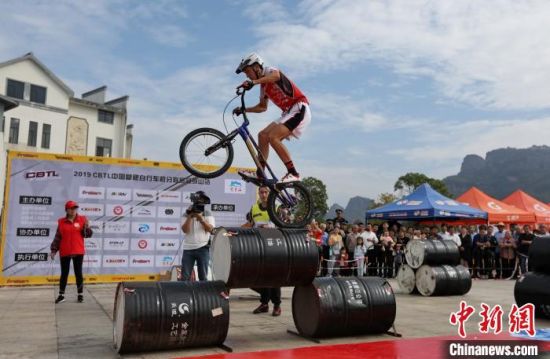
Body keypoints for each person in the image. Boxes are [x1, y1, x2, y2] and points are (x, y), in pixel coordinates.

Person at [234, 53, 311, 182]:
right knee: (262, 135)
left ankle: (293, 173)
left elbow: (276, 76)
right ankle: (260, 173)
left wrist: (253, 82)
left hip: (299, 108)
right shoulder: (263, 86)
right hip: (288, 112)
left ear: (256, 66)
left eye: (247, 71)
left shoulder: (269, 71)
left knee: (273, 137)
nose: (247, 75)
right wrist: (244, 109)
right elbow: (262, 107)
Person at [242, 186, 282, 316]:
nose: (263, 194)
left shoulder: (277, 208)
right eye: (261, 192)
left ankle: (277, 305)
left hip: (274, 246)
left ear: (269, 194)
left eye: (266, 192)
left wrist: (268, 227)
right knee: (263, 276)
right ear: (258, 193)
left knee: (275, 277)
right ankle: (264, 304)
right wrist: (233, 230)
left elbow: (282, 226)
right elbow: (250, 224)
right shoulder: (254, 208)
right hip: (260, 247)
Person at [50, 201, 93, 304]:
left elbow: (87, 235)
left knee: (78, 273)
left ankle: (80, 295)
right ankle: (61, 296)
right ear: (67, 210)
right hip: (65, 251)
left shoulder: (82, 219)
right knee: (64, 273)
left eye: (75, 208)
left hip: (78, 251)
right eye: (71, 208)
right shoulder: (61, 222)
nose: (73, 210)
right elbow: (57, 237)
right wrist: (53, 250)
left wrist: (87, 227)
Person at [181, 199, 215, 281]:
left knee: (203, 276)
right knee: (185, 276)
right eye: (197, 205)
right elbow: (185, 230)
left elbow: (211, 230)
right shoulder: (186, 214)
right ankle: (185, 293)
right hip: (188, 249)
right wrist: (190, 216)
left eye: (201, 205)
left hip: (203, 248)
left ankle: (203, 293)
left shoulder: (207, 214)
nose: (199, 207)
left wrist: (201, 219)